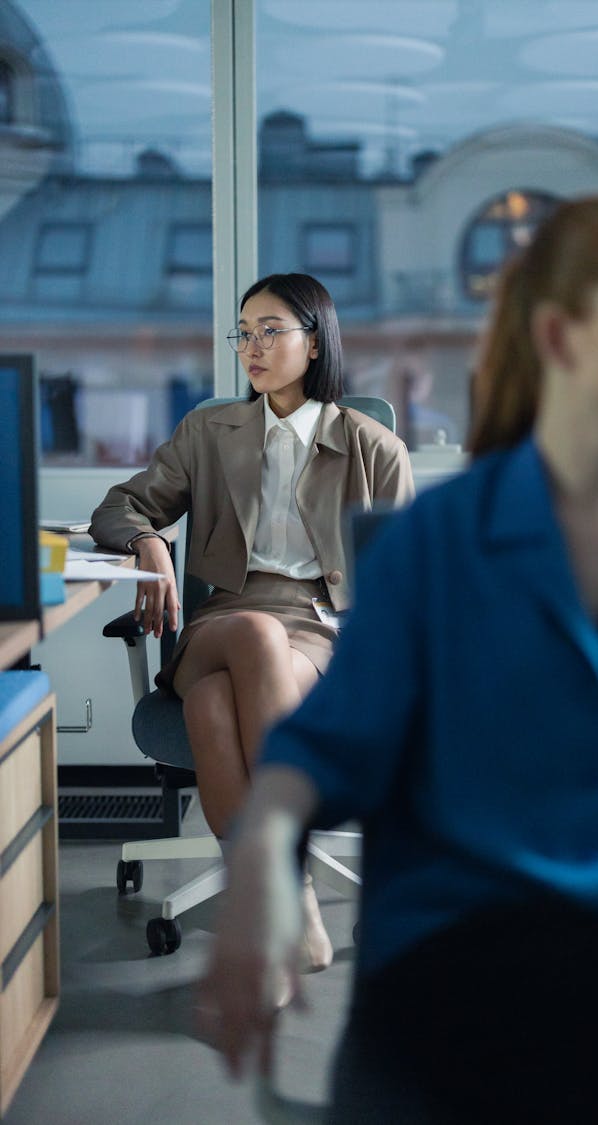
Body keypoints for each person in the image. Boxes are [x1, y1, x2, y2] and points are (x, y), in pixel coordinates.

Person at [198, 195, 598, 1122]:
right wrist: (260, 864)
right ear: (561, 335)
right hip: (471, 958)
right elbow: (325, 752)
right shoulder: (433, 546)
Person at [89, 272, 414, 972]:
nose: (252, 347)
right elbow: (119, 505)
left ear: (316, 342)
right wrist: (147, 538)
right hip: (223, 619)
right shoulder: (211, 431)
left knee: (212, 705)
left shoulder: (374, 449)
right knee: (251, 638)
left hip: (320, 627)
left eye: (271, 330)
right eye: (244, 332)